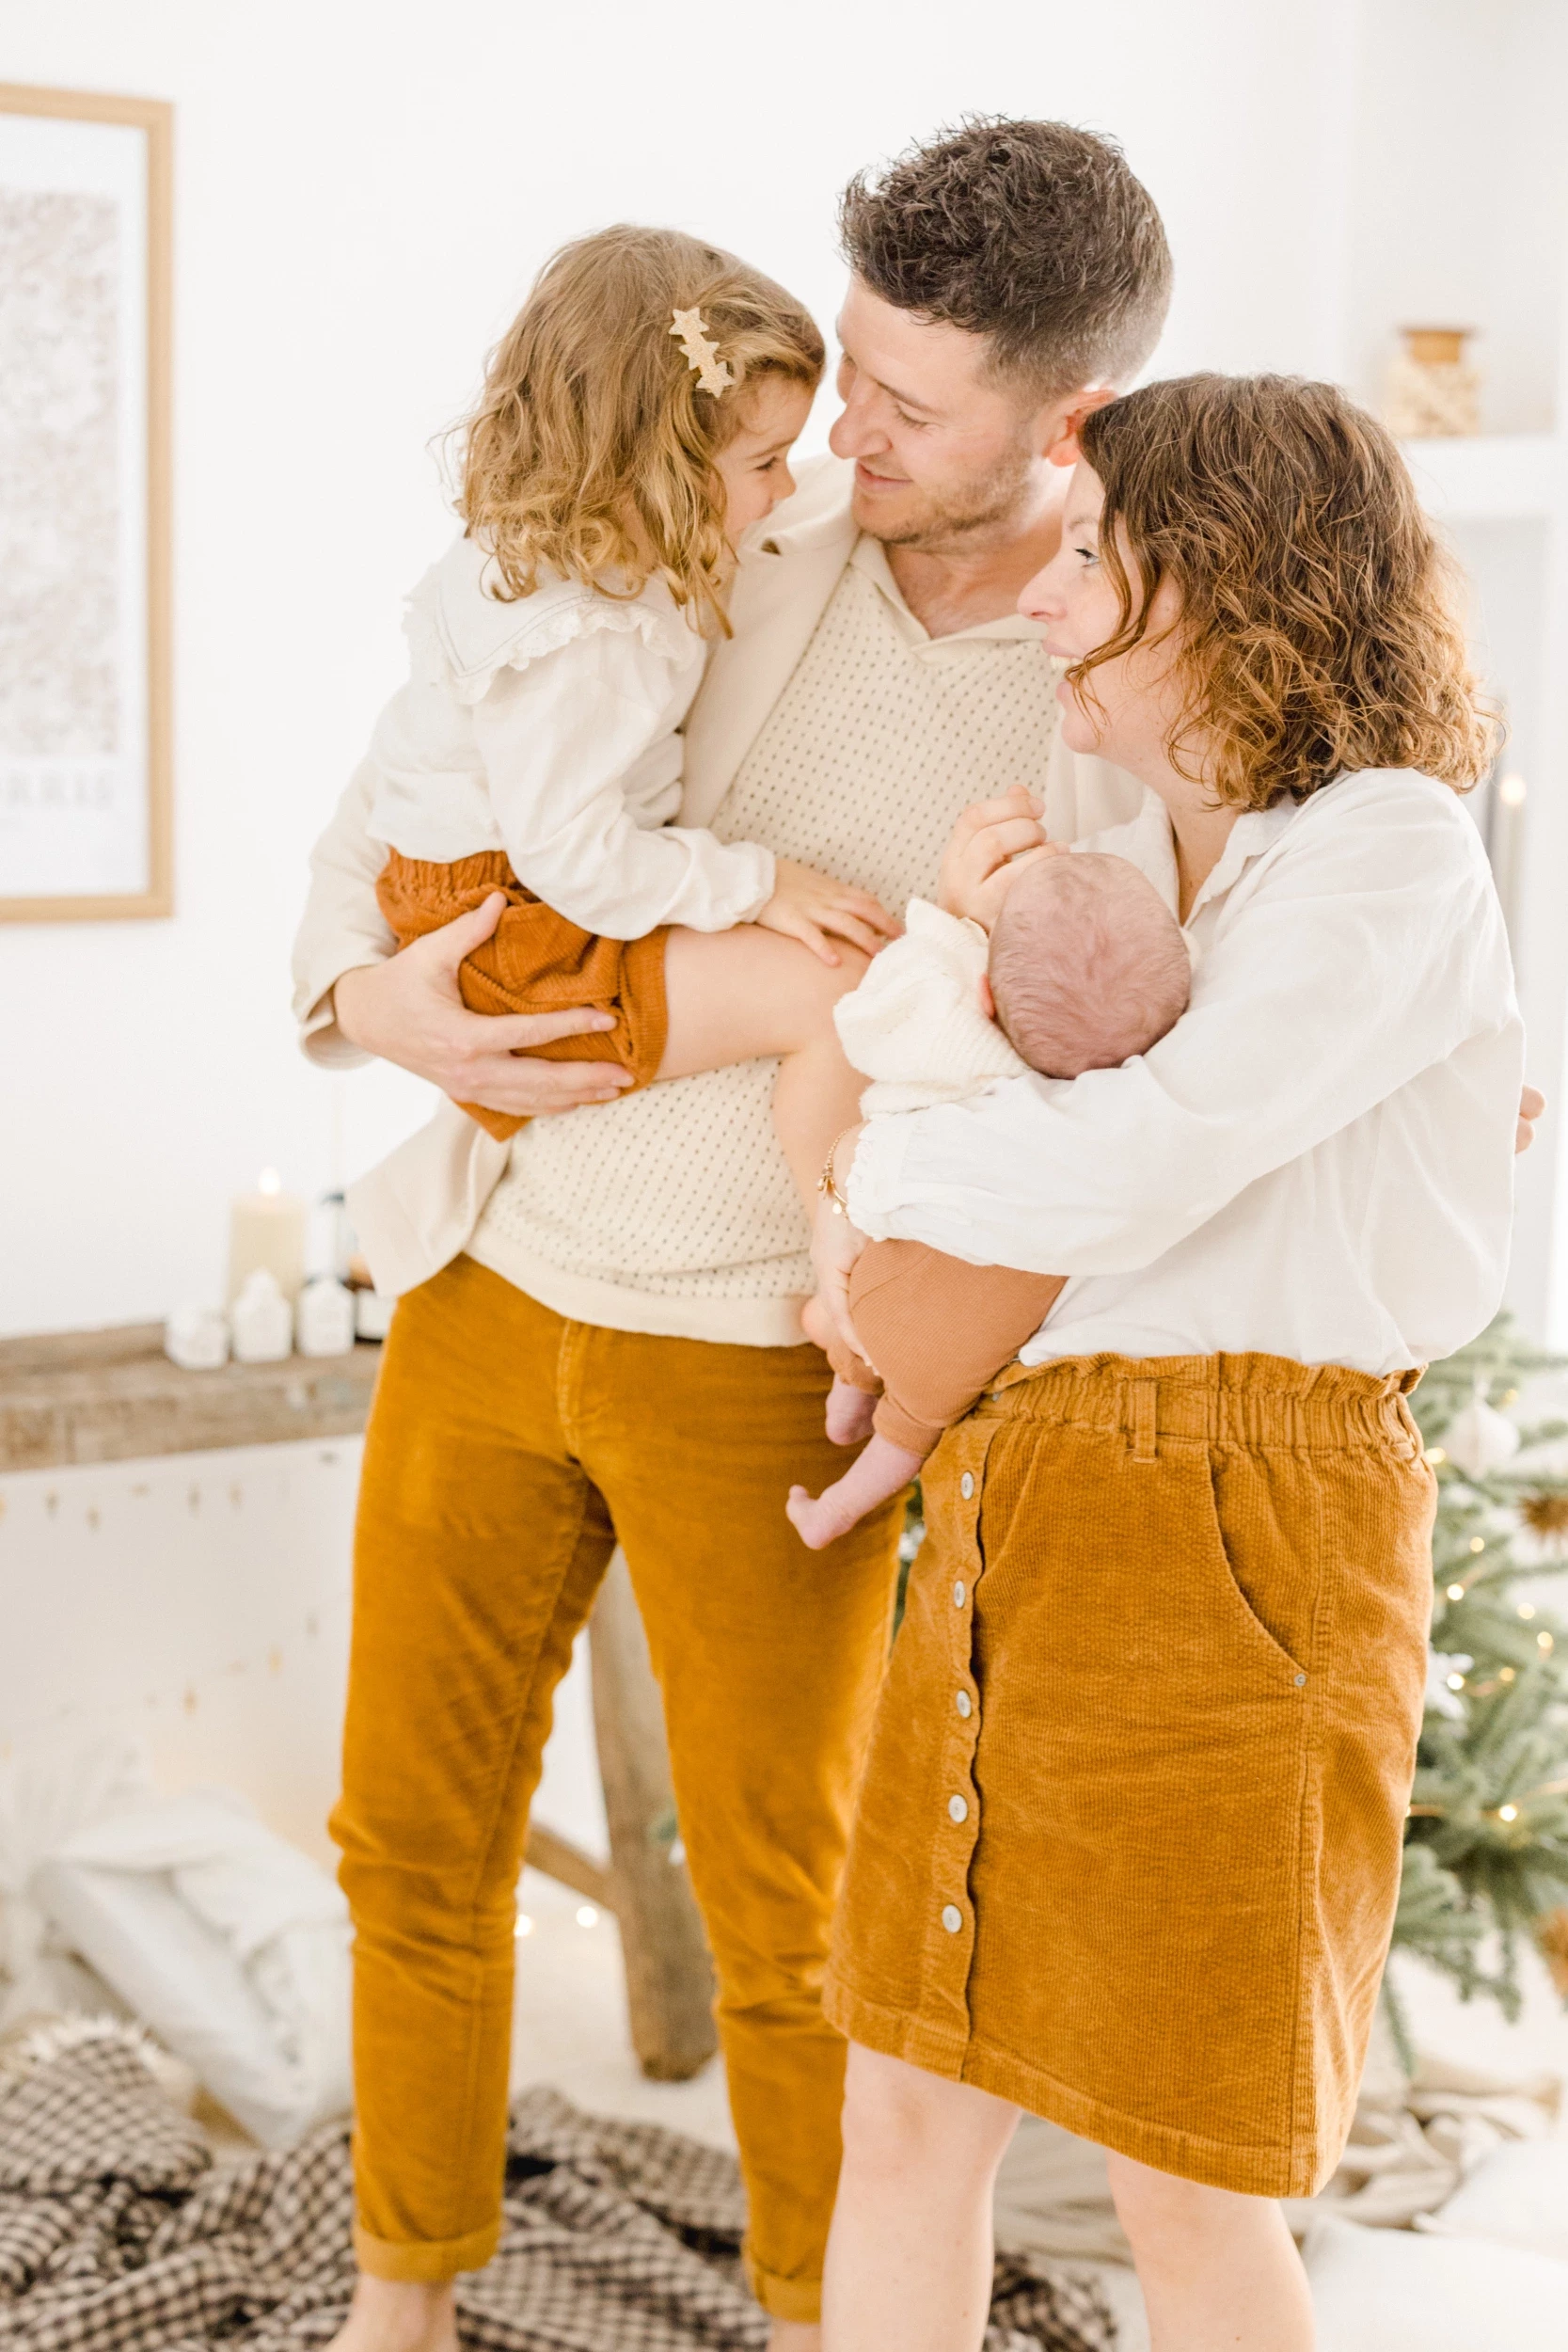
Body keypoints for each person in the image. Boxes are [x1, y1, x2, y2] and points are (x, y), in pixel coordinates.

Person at [292, 119, 1172, 2352]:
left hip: (762, 1355)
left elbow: (1071, 1062)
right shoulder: (739, 529)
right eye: (841, 369)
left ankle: (816, 2317)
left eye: (903, 402)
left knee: (797, 1916)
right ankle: (402, 2309)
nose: (834, 437)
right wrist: (362, 1000)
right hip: (498, 1285)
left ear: (1061, 416)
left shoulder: (1111, 704)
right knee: (409, 1848)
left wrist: (654, 1007)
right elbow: (408, 793)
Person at [810, 373, 1526, 2352]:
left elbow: (1134, 1162)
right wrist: (914, 1197)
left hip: (1237, 1512)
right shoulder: (1131, 858)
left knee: (1182, 2171)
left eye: (1089, 555)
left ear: (1210, 584)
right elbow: (1019, 1127)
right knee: (898, 2103)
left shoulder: (1383, 851)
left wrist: (884, 1181)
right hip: (1023, 1489)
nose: (1045, 598)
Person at [369, 225, 899, 1220]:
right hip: (505, 926)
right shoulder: (584, 644)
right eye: (766, 462)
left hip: (486, 892)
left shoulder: (564, 547)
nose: (788, 487)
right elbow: (574, 860)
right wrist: (756, 884)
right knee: (838, 994)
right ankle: (842, 1251)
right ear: (651, 471)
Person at [787, 847, 1190, 1548]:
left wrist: (953, 924)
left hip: (889, 1263)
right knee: (909, 1427)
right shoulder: (1115, 1111)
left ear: (985, 997)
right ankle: (835, 1508)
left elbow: (876, 1009)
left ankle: (844, 1378)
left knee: (861, 1318)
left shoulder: (958, 1041)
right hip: (972, 1316)